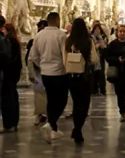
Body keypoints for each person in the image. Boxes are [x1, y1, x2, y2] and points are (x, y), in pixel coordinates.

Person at [28, 12, 68, 143]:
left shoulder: (39, 35)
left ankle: (54, 130)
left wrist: (42, 65)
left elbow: (33, 55)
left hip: (45, 72)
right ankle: (51, 124)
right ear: (57, 20)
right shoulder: (61, 35)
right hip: (59, 72)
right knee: (62, 100)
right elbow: (64, 54)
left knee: (51, 100)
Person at [64, 18, 99, 144]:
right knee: (84, 105)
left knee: (76, 103)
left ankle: (77, 128)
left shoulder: (68, 41)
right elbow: (94, 59)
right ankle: (77, 129)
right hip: (84, 76)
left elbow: (64, 59)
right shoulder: (88, 41)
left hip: (71, 76)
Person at [0, 22, 23, 133]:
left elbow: (6, 57)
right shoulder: (15, 41)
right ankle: (14, 123)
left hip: (8, 72)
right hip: (14, 73)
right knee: (13, 96)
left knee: (7, 98)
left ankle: (9, 124)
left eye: (3, 30)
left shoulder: (7, 41)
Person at [26, 20, 48, 126]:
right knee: (40, 94)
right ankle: (41, 113)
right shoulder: (35, 41)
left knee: (43, 94)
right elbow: (31, 58)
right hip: (42, 70)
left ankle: (44, 113)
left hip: (44, 70)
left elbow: (31, 58)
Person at [90, 23, 109, 96]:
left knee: (101, 74)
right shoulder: (91, 38)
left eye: (99, 29)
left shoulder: (102, 37)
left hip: (100, 58)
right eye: (96, 29)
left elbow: (104, 47)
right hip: (94, 58)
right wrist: (97, 46)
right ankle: (94, 89)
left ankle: (102, 90)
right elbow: (92, 47)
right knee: (94, 74)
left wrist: (101, 39)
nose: (97, 31)